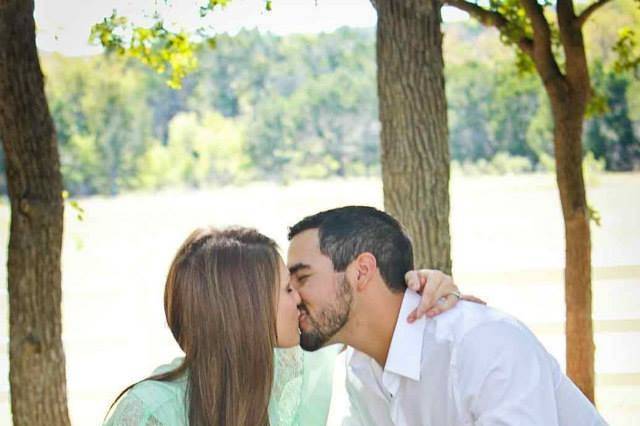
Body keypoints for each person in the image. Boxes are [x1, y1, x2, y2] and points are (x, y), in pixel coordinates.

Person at [103, 226, 466, 426]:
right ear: (244, 310)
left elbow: (374, 317)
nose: (299, 299)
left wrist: (425, 288)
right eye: (287, 289)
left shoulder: (301, 362)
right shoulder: (148, 414)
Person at [287, 206, 608, 426]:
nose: (294, 296)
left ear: (362, 272)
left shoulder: (483, 342)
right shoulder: (360, 369)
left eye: (302, 278)